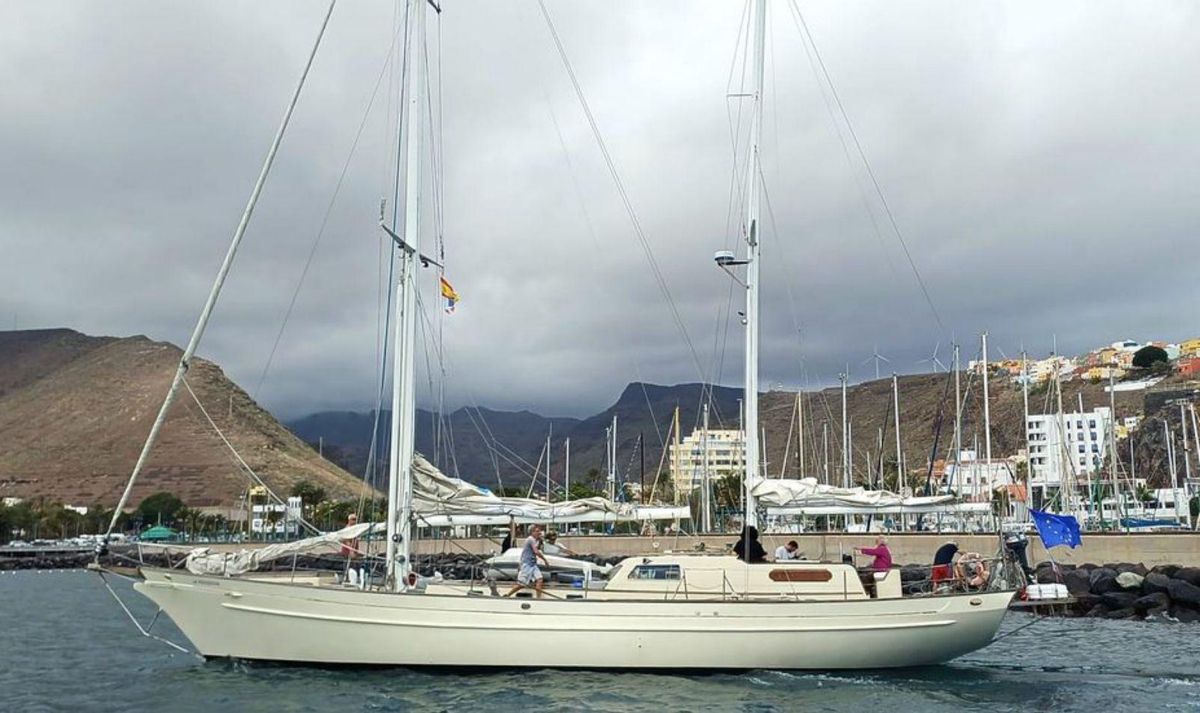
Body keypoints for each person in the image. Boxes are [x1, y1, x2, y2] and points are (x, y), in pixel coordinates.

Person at [505, 524, 549, 598]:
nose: (539, 533)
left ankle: (539, 598)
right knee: (521, 584)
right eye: (537, 531)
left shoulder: (535, 540)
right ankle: (508, 595)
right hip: (527, 564)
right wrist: (545, 560)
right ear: (532, 532)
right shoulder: (530, 539)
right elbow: (536, 552)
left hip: (533, 564)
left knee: (539, 579)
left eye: (539, 531)